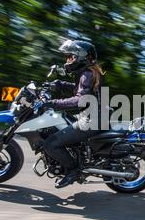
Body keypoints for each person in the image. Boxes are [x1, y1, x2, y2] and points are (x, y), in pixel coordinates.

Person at [43, 39, 103, 188]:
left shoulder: (88, 74)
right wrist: (60, 85)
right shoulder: (88, 73)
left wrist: (52, 103)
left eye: (70, 57)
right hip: (94, 116)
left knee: (51, 144)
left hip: (91, 119)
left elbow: (79, 100)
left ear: (80, 57)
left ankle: (73, 170)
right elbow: (81, 90)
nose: (67, 60)